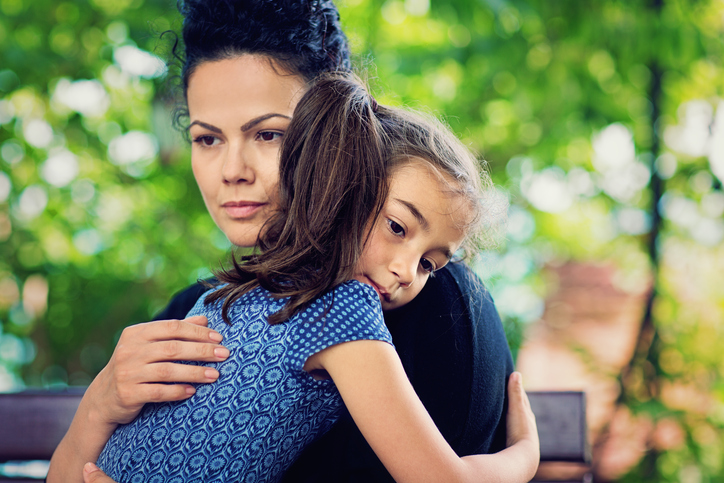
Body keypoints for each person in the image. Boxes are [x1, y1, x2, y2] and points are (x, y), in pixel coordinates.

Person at [47, 1, 516, 481]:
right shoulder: (198, 312)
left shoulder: (439, 307)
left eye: (268, 134)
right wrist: (99, 404)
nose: (232, 172)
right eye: (207, 139)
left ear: (338, 134)